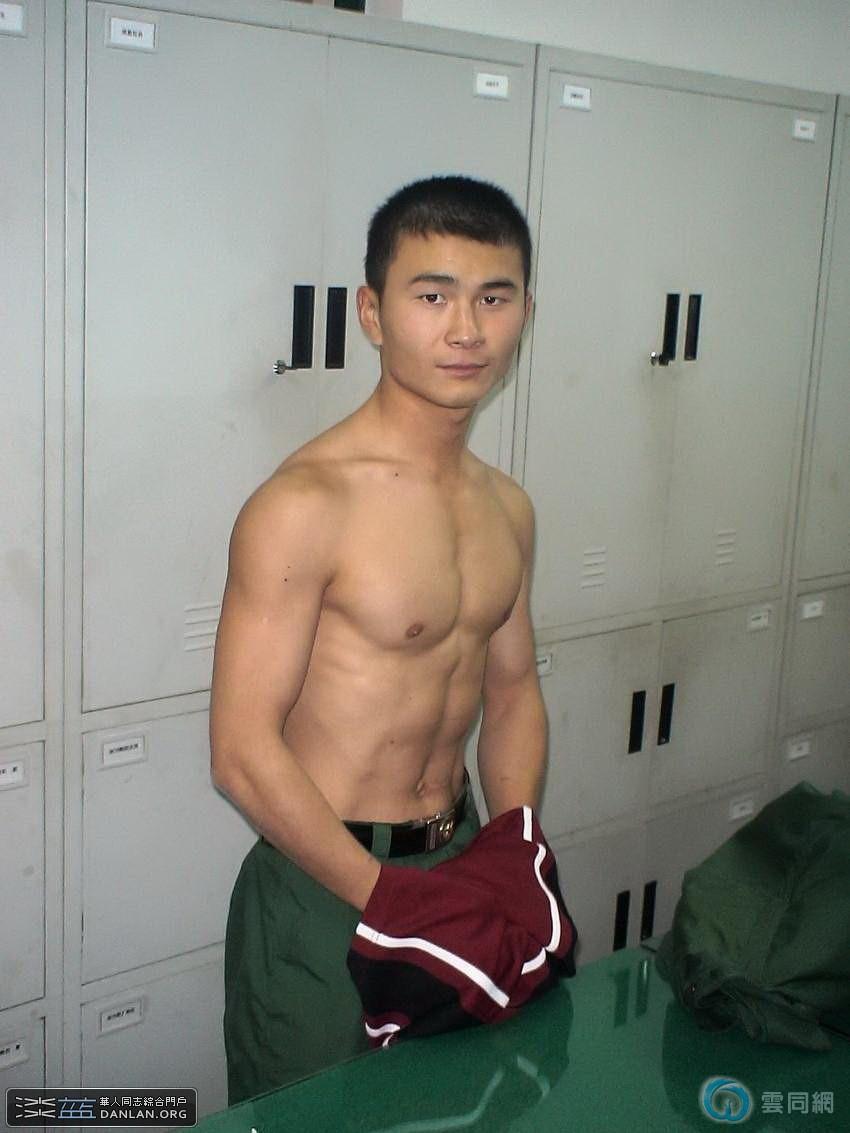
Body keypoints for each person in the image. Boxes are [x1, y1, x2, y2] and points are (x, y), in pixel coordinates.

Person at [210, 175, 552, 1104]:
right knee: (315, 1120)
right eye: (433, 296)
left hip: (461, 862)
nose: (466, 330)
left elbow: (512, 690)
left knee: (462, 1111)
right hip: (326, 892)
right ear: (372, 312)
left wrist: (515, 844)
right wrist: (388, 899)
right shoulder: (304, 505)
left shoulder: (507, 510)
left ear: (526, 313)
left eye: (494, 298)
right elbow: (240, 751)